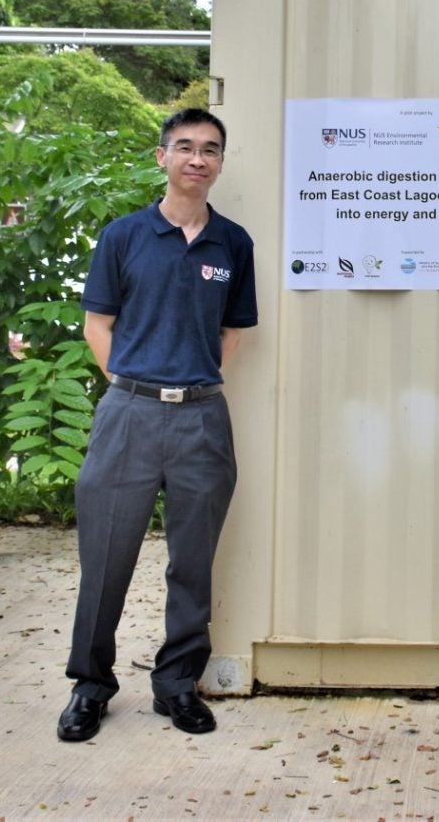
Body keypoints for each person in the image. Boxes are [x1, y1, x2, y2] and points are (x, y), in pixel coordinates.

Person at [56, 108, 258, 743]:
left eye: (211, 150)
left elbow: (233, 331)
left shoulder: (235, 244)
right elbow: (98, 326)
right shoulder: (124, 236)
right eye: (186, 147)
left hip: (202, 419)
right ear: (162, 157)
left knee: (192, 563)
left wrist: (189, 378)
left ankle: (175, 687)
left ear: (221, 163)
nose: (198, 159)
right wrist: (135, 384)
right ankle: (90, 687)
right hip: (129, 416)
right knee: (106, 561)